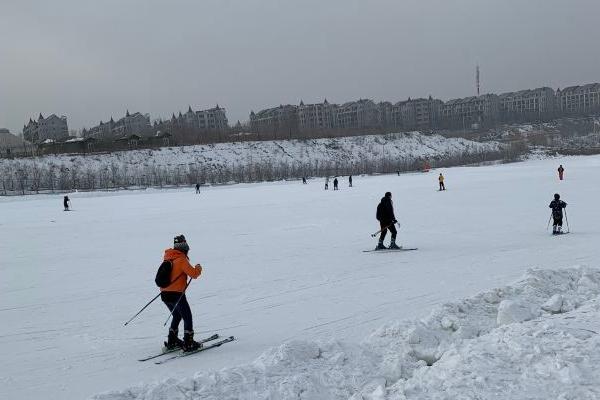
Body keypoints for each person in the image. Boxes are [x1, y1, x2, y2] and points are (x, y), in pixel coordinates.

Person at [160, 235, 203, 351]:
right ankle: (188, 343)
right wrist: (198, 267)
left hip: (164, 295)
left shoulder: (168, 258)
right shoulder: (181, 259)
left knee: (177, 315)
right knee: (187, 317)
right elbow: (194, 274)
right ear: (185, 247)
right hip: (177, 295)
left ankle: (172, 340)